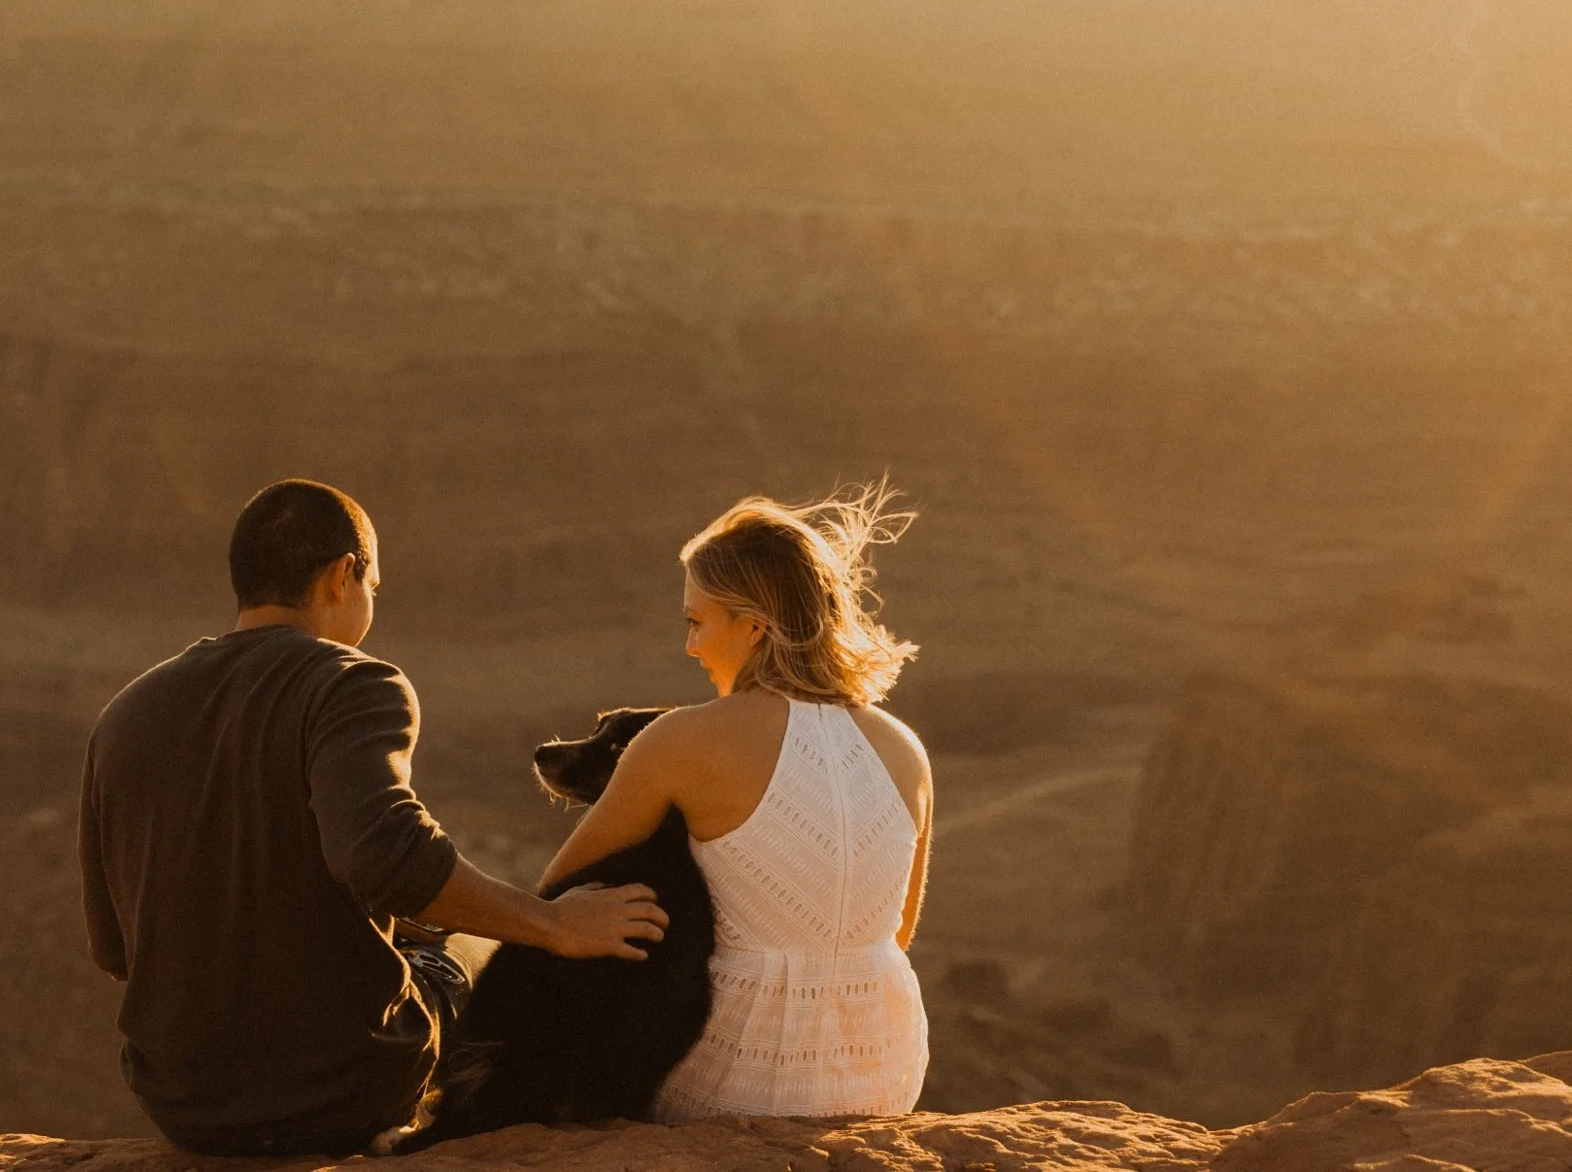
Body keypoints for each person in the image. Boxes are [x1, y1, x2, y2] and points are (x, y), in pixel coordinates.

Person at [79, 478, 668, 1156]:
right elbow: (382, 854)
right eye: (374, 588)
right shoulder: (350, 681)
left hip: (180, 1101)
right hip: (340, 1089)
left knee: (420, 931)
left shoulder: (125, 713)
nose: (370, 605)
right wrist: (556, 923)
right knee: (480, 948)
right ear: (343, 574)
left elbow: (113, 945)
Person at [538, 483, 933, 1120]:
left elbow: (554, 906)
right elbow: (899, 932)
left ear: (753, 627)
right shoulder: (903, 747)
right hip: (884, 1068)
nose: (690, 646)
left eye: (697, 623)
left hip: (732, 1074)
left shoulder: (680, 740)